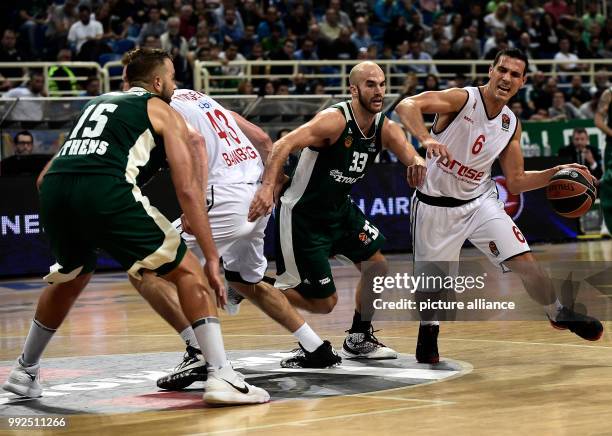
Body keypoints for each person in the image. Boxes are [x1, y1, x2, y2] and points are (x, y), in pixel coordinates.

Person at [1, 48, 269, 406]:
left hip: (55, 191)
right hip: (107, 189)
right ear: (158, 82)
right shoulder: (163, 109)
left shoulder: (97, 104)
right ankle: (222, 376)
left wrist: (80, 216)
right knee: (189, 273)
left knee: (71, 275)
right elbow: (188, 189)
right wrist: (211, 259)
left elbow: (45, 177)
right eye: (173, 78)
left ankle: (24, 371)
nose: (175, 85)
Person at [395, 48, 603, 364]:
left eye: (514, 74)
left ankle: (558, 312)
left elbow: (516, 181)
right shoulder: (461, 100)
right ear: (491, 70)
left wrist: (555, 173)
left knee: (528, 264)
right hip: (434, 206)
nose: (506, 78)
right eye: (502, 70)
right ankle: (428, 330)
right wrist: (425, 139)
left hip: (480, 203)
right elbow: (406, 105)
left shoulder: (510, 123)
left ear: (523, 81)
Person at [131, 88, 341, 390]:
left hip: (223, 197)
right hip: (256, 196)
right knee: (246, 282)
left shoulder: (160, 105)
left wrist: (198, 203)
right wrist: (270, 187)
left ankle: (197, 351)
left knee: (145, 268)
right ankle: (316, 348)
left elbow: (198, 143)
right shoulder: (200, 99)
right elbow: (263, 139)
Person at [248, 61, 427, 365]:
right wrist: (268, 188)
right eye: (371, 84)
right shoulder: (333, 121)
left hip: (340, 211)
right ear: (353, 89)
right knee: (324, 304)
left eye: (382, 84)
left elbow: (411, 155)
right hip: (304, 215)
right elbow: (283, 144)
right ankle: (250, 285)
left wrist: (417, 162)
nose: (379, 91)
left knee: (378, 269)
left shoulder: (385, 127)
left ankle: (358, 337)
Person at [595, 84, 612, 234]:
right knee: (608, 182)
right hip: (611, 146)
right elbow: (598, 121)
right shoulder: (609, 94)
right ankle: (607, 224)